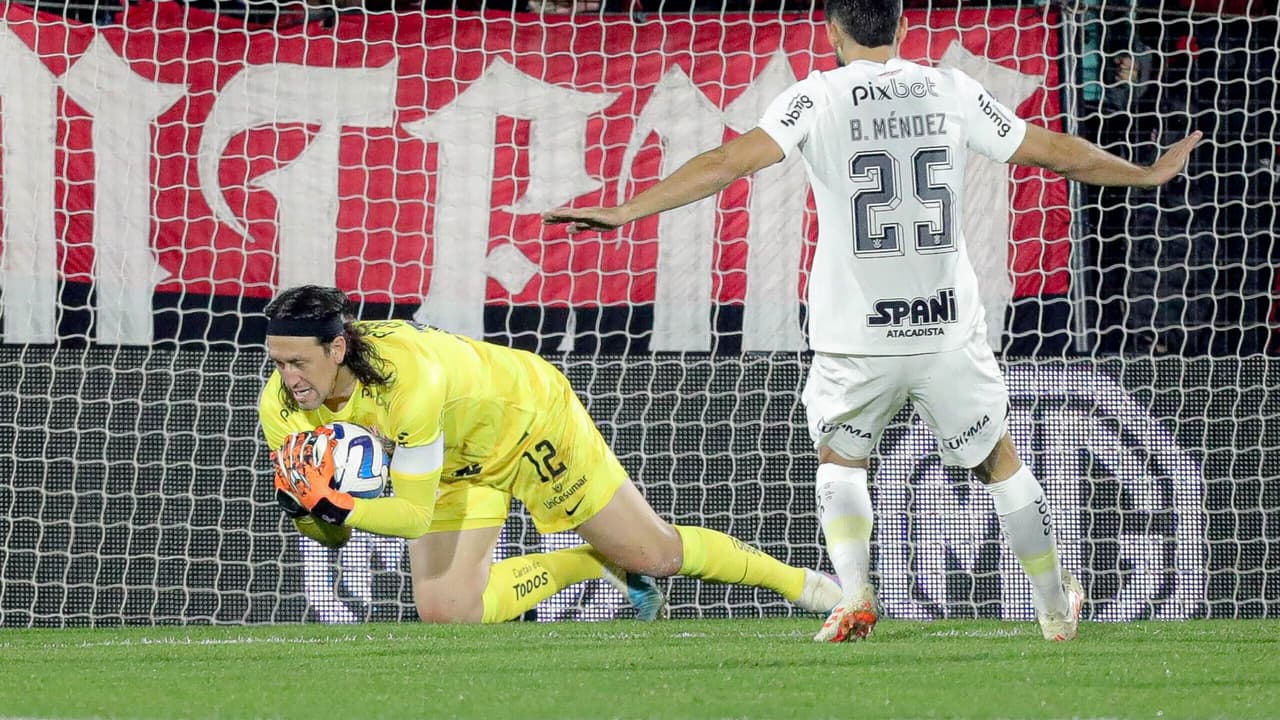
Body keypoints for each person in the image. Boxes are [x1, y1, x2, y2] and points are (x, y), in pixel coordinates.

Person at [543, 0, 1201, 642]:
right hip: (943, 330)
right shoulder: (950, 89)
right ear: (904, 25)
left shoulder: (815, 98)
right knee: (1000, 462)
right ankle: (1055, 606)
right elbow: (1057, 152)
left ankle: (856, 591)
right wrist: (1143, 174)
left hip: (857, 336)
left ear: (831, 30)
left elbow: (723, 163)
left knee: (840, 462)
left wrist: (626, 211)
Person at [262, 285, 841, 625]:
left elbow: (408, 516)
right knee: (448, 612)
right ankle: (593, 562)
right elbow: (333, 532)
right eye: (277, 362)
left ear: (337, 348)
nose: (287, 377)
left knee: (658, 555)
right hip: (454, 455)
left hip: (527, 419)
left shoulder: (407, 380)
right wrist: (308, 510)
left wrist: (336, 505)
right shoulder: (281, 408)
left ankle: (799, 583)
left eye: (298, 362)